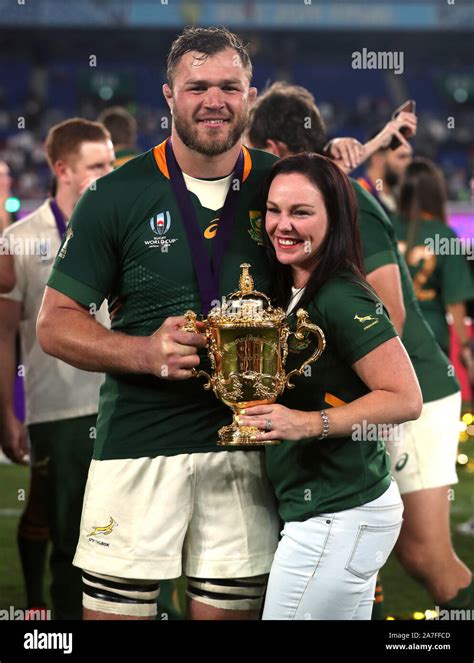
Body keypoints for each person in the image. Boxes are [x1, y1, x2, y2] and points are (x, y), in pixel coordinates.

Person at [36, 27, 280, 621]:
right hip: (137, 446)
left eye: (230, 85)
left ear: (252, 94)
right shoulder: (115, 195)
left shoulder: (285, 185)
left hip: (251, 452)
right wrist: (145, 352)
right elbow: (54, 324)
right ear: (169, 94)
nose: (214, 99)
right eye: (197, 86)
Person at [246, 82, 474, 617]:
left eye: (255, 152)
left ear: (274, 150)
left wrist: (309, 414)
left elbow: (384, 315)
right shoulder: (322, 199)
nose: (279, 220)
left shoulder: (348, 217)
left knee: (423, 552)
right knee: (370, 537)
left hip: (410, 382)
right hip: (378, 392)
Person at [239, 153, 421, 619]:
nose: (284, 224)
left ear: (334, 217)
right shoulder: (296, 284)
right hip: (335, 512)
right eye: (275, 210)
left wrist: (307, 423)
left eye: (301, 212)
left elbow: (405, 397)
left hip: (338, 514)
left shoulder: (340, 293)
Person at [0, 118, 114, 618]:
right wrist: (7, 412)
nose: (108, 174)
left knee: (116, 534)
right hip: (56, 408)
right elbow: (5, 334)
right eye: (96, 166)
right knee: (62, 530)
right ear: (62, 169)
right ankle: (50, 615)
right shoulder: (18, 241)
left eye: (111, 163)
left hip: (117, 404)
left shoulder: (119, 226)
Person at [393, 157, 474, 374]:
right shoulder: (445, 236)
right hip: (432, 338)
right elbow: (455, 301)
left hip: (389, 337)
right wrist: (466, 347)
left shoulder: (386, 227)